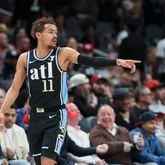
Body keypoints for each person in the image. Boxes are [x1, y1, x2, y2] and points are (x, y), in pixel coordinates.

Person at [0, 17, 141, 165]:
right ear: (38, 34)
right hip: (35, 116)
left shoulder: (63, 54)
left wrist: (117, 62)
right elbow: (15, 88)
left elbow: (91, 60)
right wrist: (1, 111)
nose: (55, 35)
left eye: (56, 32)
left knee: (47, 161)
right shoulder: (25, 58)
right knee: (39, 162)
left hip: (56, 115)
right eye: (50, 32)